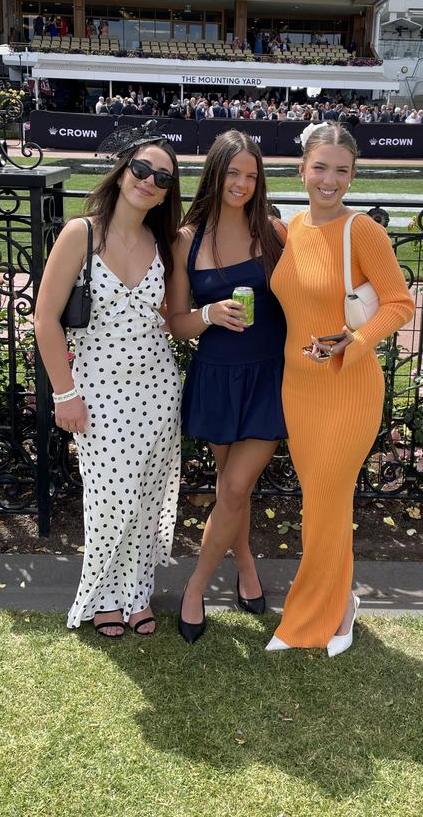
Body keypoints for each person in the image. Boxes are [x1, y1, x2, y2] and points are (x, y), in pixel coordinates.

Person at [266, 122, 414, 655]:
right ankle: (343, 601)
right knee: (322, 502)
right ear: (302, 169)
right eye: (321, 167)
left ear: (352, 176)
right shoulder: (292, 226)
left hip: (348, 387)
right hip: (298, 388)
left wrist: (353, 340)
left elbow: (399, 303)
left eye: (342, 170)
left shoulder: (363, 230)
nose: (330, 179)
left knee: (328, 497)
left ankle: (307, 619)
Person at [35, 123, 183, 638]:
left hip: (158, 389)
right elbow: (44, 318)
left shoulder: (162, 242)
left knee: (144, 499)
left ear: (168, 192)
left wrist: (209, 317)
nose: (149, 180)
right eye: (141, 169)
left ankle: (136, 594)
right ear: (122, 173)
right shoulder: (83, 232)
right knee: (107, 500)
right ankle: (101, 595)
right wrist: (65, 394)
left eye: (162, 177)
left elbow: (167, 317)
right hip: (97, 391)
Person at [167, 131, 287, 643]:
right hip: (217, 376)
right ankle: (246, 569)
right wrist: (209, 313)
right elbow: (176, 322)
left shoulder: (276, 232)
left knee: (236, 487)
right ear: (214, 173)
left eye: (251, 176)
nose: (241, 184)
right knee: (229, 490)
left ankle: (194, 588)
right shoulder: (186, 237)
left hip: (270, 377)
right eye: (233, 173)